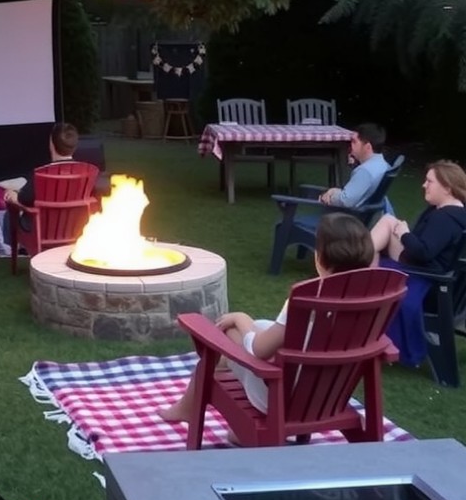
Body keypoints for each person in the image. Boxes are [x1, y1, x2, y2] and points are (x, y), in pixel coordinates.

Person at [160, 213, 375, 423]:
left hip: (281, 399)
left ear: (319, 257)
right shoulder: (371, 296)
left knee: (229, 334)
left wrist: (240, 318)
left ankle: (194, 399)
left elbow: (260, 350)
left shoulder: (308, 298)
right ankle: (219, 391)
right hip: (328, 396)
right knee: (261, 325)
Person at [369, 160, 466, 369]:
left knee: (386, 224)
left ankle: (349, 268)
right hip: (432, 276)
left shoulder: (446, 218)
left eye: (429, 181)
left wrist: (404, 233)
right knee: (385, 227)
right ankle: (355, 265)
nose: (424, 185)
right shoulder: (454, 213)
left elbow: (423, 252)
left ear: (447, 188)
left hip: (423, 278)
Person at [2, 121, 81, 237]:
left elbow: (25, 199)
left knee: (10, 210)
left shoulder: (42, 174)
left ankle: (20, 249)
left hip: (42, 230)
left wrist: (13, 197)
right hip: (77, 227)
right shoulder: (86, 172)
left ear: (51, 144)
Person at [319, 122, 391, 209]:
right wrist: (334, 191)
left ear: (367, 147)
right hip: (367, 216)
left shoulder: (365, 172)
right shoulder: (383, 164)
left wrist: (327, 197)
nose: (350, 145)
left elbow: (345, 201)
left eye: (354, 142)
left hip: (350, 218)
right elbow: (353, 194)